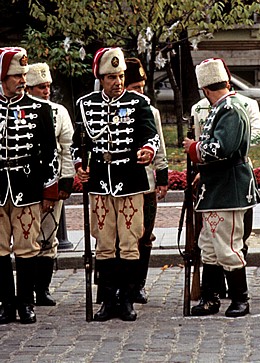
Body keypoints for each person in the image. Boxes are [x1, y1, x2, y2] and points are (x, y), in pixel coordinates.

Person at [73, 47, 159, 322]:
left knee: (130, 242)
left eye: (120, 76)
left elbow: (151, 135)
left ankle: (127, 299)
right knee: (105, 243)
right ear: (100, 77)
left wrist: (147, 149)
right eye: (111, 77)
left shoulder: (138, 103)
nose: (117, 82)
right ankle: (108, 300)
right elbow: (78, 143)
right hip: (100, 181)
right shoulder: (86, 104)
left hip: (130, 180)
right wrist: (80, 166)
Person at [183, 58, 260, 317]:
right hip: (216, 187)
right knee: (209, 245)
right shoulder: (223, 107)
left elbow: (221, 149)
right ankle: (210, 297)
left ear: (205, 89)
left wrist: (193, 149)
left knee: (227, 245)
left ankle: (241, 298)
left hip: (228, 188)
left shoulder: (229, 109)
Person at [0, 47, 59, 324]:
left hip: (27, 185)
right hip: (0, 188)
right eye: (15, 76)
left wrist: (49, 191)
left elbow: (50, 153)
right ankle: (5, 303)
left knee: (27, 247)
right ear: (2, 78)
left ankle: (25, 302)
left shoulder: (40, 109)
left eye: (24, 75)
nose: (22, 80)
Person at [24, 63, 75, 307]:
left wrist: (65, 181)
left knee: (47, 236)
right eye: (40, 87)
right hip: (22, 183)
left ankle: (41, 289)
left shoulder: (58, 112)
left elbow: (67, 148)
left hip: (50, 181)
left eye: (48, 86)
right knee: (24, 240)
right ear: (28, 88)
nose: (46, 91)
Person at [123, 58, 169, 304]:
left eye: (141, 86)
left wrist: (162, 176)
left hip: (146, 184)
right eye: (134, 88)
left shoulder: (151, 111)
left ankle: (137, 284)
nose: (139, 92)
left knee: (145, 234)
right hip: (121, 183)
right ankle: (115, 285)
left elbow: (158, 144)